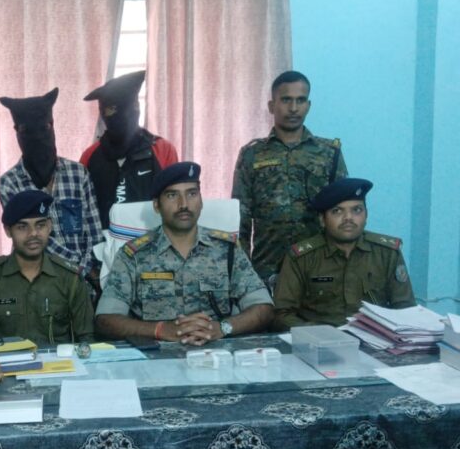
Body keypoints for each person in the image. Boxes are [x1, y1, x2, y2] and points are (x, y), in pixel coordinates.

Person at [96, 162, 273, 345]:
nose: (184, 204)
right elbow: (106, 319)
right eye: (172, 195)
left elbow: (263, 308)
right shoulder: (133, 255)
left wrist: (222, 328)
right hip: (156, 354)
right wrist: (160, 330)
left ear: (201, 201)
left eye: (192, 194)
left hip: (217, 352)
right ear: (156, 205)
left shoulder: (227, 249)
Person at [231, 70, 348, 287]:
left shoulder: (329, 153)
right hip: (267, 267)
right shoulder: (252, 154)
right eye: (286, 100)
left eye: (300, 100)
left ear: (308, 106)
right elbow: (241, 218)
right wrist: (241, 273)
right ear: (271, 106)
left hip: (319, 264)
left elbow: (343, 210)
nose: (294, 108)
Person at [272, 178, 416, 330]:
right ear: (322, 220)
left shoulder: (387, 253)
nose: (348, 218)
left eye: (357, 210)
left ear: (366, 215)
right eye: (337, 211)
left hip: (376, 340)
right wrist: (317, 333)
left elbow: (405, 309)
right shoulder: (302, 258)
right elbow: (282, 315)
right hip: (319, 340)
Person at [0, 88, 105, 290]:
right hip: (36, 284)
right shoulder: (9, 183)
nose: (38, 137)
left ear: (53, 126)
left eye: (44, 128)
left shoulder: (78, 173)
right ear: (17, 132)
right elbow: (35, 239)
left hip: (86, 286)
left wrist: (95, 273)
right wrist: (83, 270)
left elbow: (94, 231)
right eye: (27, 131)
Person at [0, 190, 95, 345]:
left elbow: (87, 341)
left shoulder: (70, 279)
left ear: (49, 226)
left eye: (40, 225)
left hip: (59, 361)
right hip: (2, 361)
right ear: (8, 231)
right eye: (22, 227)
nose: (33, 233)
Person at [80, 70, 179, 227]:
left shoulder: (162, 150)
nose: (112, 115)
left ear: (136, 107)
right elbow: (83, 207)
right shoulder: (90, 156)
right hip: (104, 240)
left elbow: (174, 201)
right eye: (107, 110)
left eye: (117, 108)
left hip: (151, 238)